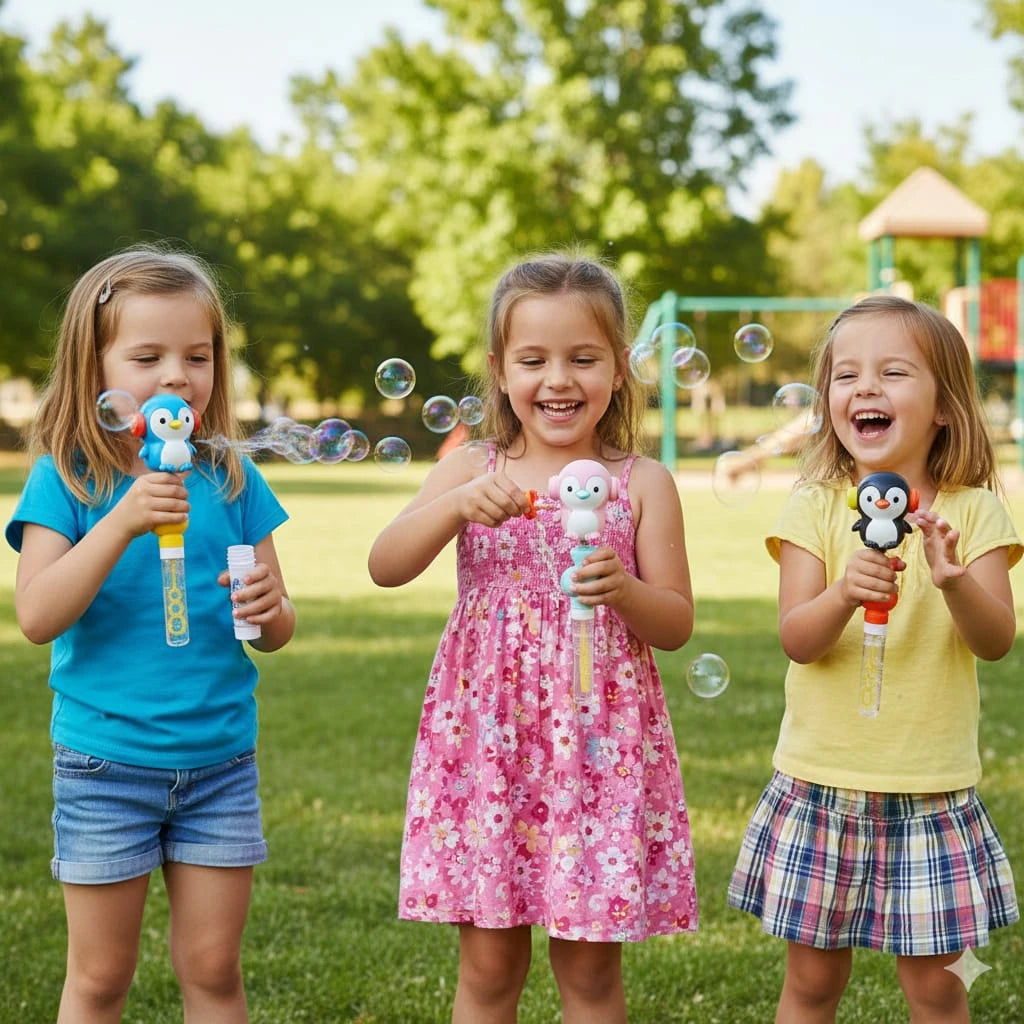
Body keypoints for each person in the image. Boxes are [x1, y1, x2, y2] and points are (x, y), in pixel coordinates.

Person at [368, 252, 698, 1023]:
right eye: (534, 360)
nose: (558, 380)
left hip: (597, 748)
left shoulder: (641, 482)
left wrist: (627, 590)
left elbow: (676, 623)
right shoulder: (475, 468)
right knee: (488, 969)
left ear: (619, 368)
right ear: (499, 367)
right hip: (491, 744)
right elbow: (386, 565)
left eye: (583, 358)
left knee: (589, 974)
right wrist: (452, 510)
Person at [6, 244, 296, 1023]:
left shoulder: (233, 478)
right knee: (100, 978)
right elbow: (37, 614)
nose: (176, 376)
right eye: (147, 356)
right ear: (92, 368)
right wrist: (121, 522)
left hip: (220, 764)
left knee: (213, 970)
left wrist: (270, 608)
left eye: (196, 357)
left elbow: (276, 629)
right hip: (106, 765)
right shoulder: (67, 478)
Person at [728, 294, 1020, 1023]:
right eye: (847, 375)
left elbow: (996, 640)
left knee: (939, 989)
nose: (865, 389)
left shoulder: (974, 510)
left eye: (893, 373)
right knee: (812, 986)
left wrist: (954, 582)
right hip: (823, 785)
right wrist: (840, 595)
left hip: (931, 792)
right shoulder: (815, 506)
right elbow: (798, 638)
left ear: (945, 407)